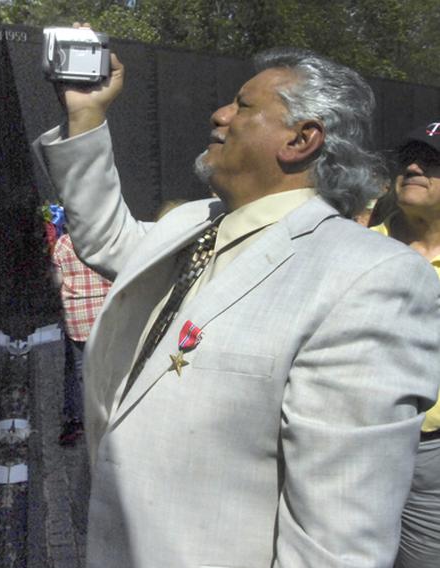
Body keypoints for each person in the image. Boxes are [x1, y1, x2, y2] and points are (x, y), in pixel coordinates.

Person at [34, 40, 440, 566]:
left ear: (301, 139)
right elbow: (108, 241)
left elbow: (336, 543)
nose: (220, 114)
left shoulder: (370, 275)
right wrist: (86, 114)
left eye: (244, 106)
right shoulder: (192, 221)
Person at [369, 121, 440, 568]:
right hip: (355, 442)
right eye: (410, 157)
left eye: (432, 161)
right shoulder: (357, 247)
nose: (413, 166)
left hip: (432, 457)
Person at [50, 232, 111, 446]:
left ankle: (86, 421)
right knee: (107, 367)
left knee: (81, 371)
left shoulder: (63, 244)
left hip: (77, 315)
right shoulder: (105, 238)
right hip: (106, 312)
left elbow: (57, 281)